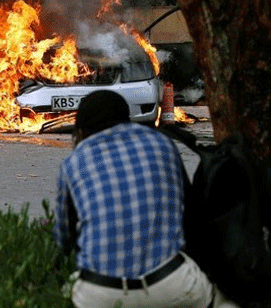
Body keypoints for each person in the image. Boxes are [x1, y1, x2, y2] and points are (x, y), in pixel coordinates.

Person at [52, 90, 212, 307]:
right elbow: (192, 214)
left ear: (80, 131)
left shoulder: (73, 163)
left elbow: (64, 240)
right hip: (170, 284)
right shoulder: (162, 144)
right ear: (126, 119)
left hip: (102, 293)